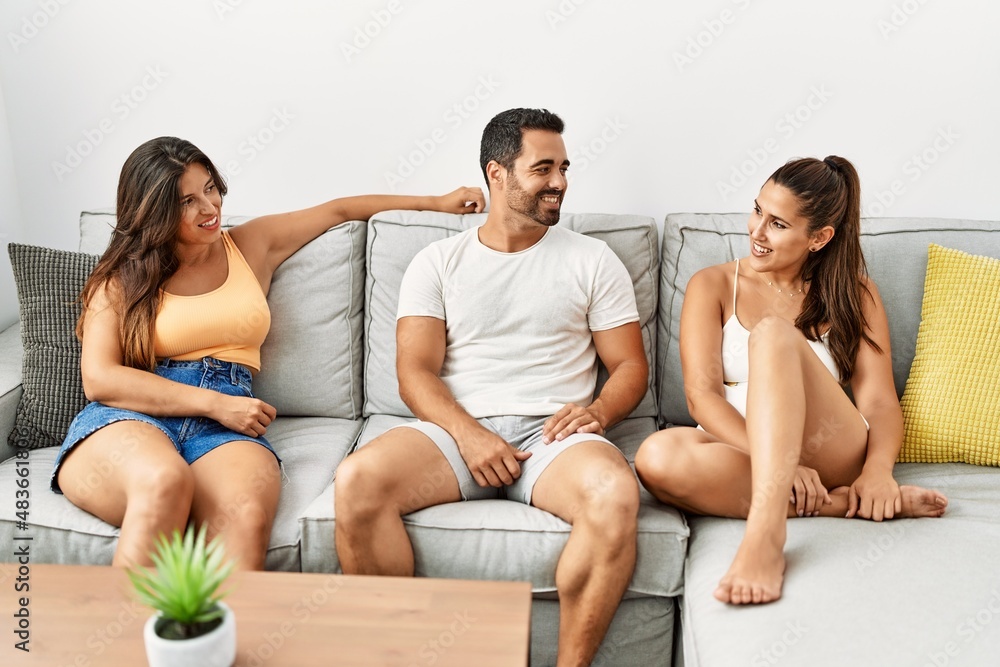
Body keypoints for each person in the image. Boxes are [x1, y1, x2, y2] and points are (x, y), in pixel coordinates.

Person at [52, 135, 484, 570]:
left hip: (223, 424)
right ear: (154, 212)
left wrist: (437, 201)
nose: (209, 208)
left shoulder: (249, 245)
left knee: (245, 519)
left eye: (210, 188)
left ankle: (224, 638)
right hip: (135, 413)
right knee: (164, 482)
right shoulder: (120, 278)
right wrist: (216, 403)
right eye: (186, 201)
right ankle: (125, 636)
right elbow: (101, 378)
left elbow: (338, 210)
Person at [334, 108, 648, 666]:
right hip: (457, 430)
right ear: (496, 173)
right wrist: (469, 434)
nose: (560, 182)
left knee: (616, 495)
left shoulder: (592, 260)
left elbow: (629, 367)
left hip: (553, 436)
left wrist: (598, 411)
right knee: (357, 481)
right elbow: (414, 373)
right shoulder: (437, 262)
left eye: (564, 168)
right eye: (543, 168)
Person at [634, 156, 948, 605]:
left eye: (777, 224)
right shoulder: (712, 285)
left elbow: (878, 401)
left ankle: (765, 537)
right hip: (742, 448)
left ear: (819, 238)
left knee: (773, 336)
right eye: (758, 210)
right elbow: (702, 399)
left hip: (829, 449)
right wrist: (776, 463)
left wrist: (878, 473)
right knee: (656, 456)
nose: (756, 232)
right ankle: (839, 505)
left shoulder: (856, 293)